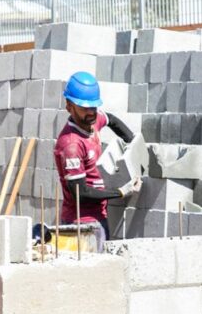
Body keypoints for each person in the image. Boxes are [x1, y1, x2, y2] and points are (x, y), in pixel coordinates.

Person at [53, 71, 142, 242]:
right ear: (69, 106)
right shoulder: (71, 145)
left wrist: (132, 144)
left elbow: (112, 120)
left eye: (93, 107)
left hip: (99, 217)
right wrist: (121, 192)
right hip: (81, 224)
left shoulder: (93, 119)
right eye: (84, 108)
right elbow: (81, 193)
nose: (91, 113)